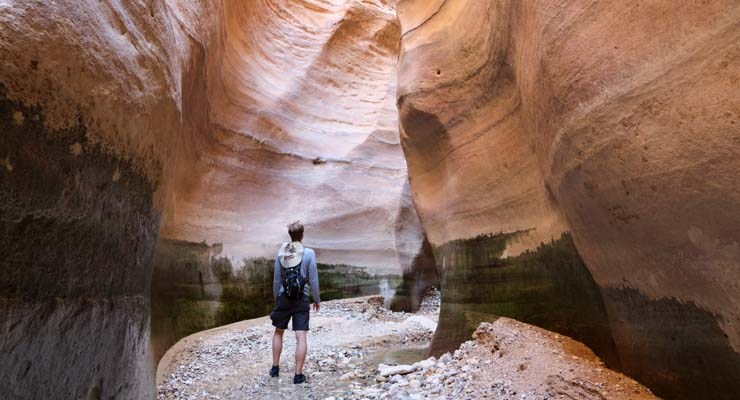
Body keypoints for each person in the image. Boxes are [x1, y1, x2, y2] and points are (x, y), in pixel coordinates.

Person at [269, 221, 320, 384]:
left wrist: (277, 298)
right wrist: (316, 299)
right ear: (302, 235)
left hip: (284, 298)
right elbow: (313, 279)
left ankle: (275, 368)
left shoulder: (282, 252)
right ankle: (298, 375)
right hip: (301, 298)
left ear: (290, 235)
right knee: (301, 336)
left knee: (278, 331)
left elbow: (277, 279)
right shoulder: (309, 253)